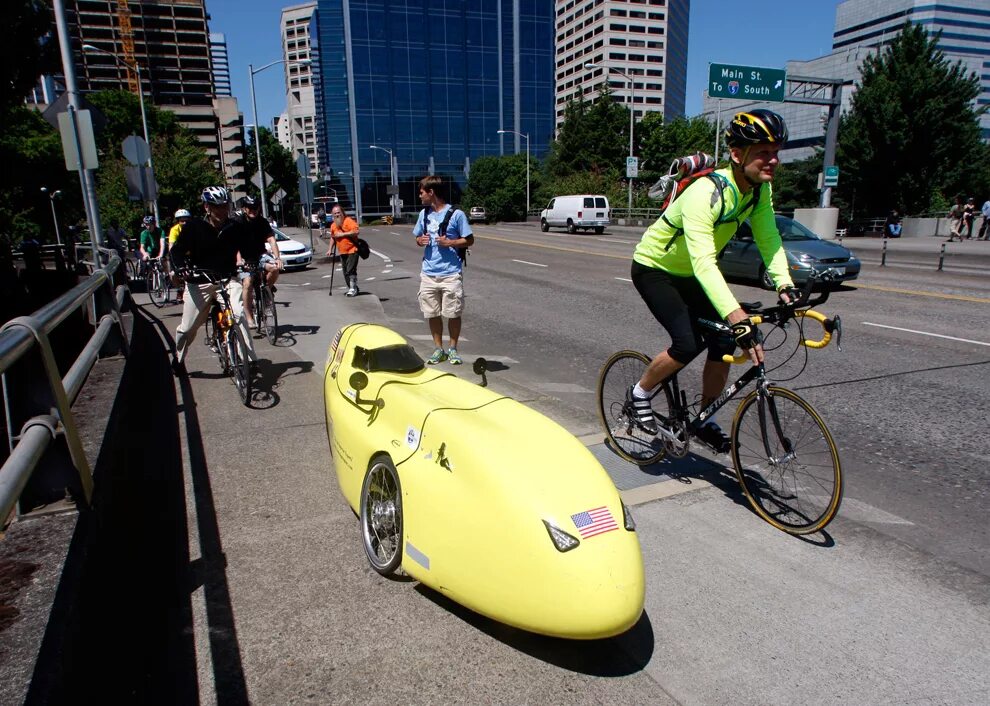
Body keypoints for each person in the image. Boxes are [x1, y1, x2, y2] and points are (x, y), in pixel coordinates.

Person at [627, 109, 797, 453]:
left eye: (776, 151)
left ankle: (703, 418)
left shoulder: (758, 192)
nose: (773, 160)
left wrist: (784, 284)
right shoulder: (706, 193)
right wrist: (736, 316)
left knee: (723, 340)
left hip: (691, 273)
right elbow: (705, 261)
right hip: (655, 269)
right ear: (738, 154)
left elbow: (769, 240)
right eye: (764, 152)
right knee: (687, 343)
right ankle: (639, 394)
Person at [170, 186, 256, 372]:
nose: (222, 211)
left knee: (239, 314)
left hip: (226, 279)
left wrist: (250, 260)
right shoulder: (194, 227)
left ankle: (248, 360)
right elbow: (176, 251)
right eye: (217, 207)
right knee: (187, 328)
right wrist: (181, 268)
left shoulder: (234, 227)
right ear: (207, 207)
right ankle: (178, 358)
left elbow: (248, 248)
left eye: (225, 206)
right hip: (199, 282)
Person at [413, 175, 474, 365]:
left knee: (453, 313)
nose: (420, 196)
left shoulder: (456, 214)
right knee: (432, 313)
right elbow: (417, 237)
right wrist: (419, 240)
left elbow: (470, 240)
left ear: (431, 193)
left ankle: (453, 349)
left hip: (450, 273)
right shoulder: (424, 215)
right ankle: (438, 349)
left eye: (422, 192)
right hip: (429, 272)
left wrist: (451, 242)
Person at [234, 195, 282, 328]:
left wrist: (277, 258)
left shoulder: (262, 222)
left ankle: (267, 291)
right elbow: (234, 244)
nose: (253, 210)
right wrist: (239, 260)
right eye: (249, 208)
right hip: (244, 259)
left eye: (255, 208)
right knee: (248, 283)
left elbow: (271, 240)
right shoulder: (238, 222)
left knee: (275, 268)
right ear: (244, 209)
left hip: (260, 255)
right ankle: (249, 315)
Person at [327, 204, 361, 296]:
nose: (337, 215)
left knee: (351, 270)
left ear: (342, 213)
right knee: (345, 272)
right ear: (332, 215)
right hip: (342, 252)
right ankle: (352, 287)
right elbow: (333, 237)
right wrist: (330, 249)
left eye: (338, 212)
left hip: (352, 250)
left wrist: (342, 235)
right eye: (335, 213)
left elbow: (356, 231)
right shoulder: (333, 225)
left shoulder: (348, 221)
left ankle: (353, 289)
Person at [168, 209, 191, 303]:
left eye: (186, 220)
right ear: (178, 221)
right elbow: (171, 245)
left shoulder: (192, 228)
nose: (184, 222)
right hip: (179, 255)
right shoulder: (174, 230)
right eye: (182, 221)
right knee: (172, 274)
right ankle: (179, 289)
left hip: (191, 255)